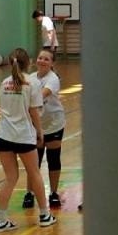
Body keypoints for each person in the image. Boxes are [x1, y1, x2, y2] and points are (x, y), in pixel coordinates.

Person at [0, 49, 53, 232]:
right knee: (34, 174)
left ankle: (0, 219)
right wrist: (40, 131)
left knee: (10, 177)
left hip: (3, 135)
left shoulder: (4, 82)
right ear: (29, 62)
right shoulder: (32, 82)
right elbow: (33, 110)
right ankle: (44, 215)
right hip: (23, 136)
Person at [33, 48, 66, 210]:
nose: (42, 61)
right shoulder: (31, 78)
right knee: (34, 161)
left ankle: (53, 193)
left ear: (52, 63)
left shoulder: (52, 79)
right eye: (40, 58)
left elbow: (41, 95)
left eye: (46, 59)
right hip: (36, 125)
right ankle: (30, 193)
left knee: (53, 158)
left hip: (53, 123)